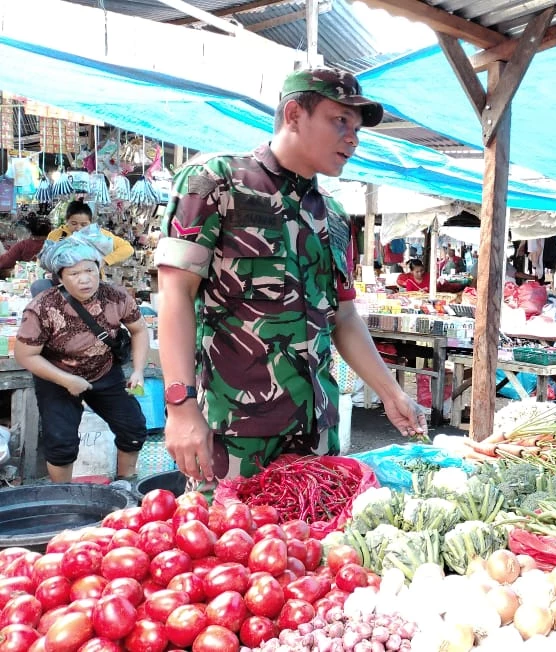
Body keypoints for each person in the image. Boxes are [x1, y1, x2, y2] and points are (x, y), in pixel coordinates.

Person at [156, 67, 426, 482]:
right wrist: (179, 405)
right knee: (229, 545)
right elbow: (175, 293)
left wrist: (391, 393)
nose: (353, 138)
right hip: (233, 436)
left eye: (356, 128)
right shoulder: (216, 181)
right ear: (295, 113)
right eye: (340, 121)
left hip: (316, 433)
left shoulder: (333, 215)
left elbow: (343, 317)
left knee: (315, 543)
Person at [14, 226, 148, 483]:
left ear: (99, 267)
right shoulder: (42, 306)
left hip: (104, 371)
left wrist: (139, 371)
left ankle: (125, 484)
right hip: (57, 376)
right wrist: (67, 381)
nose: (84, 279)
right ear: (60, 277)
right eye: (74, 273)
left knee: (133, 427)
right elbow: (25, 355)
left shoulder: (116, 297)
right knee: (61, 441)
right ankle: (63, 496)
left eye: (90, 270)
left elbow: (139, 330)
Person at [47, 200, 135, 266]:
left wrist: (105, 260)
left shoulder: (98, 234)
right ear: (67, 220)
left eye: (84, 224)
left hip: (93, 282)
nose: (78, 228)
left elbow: (127, 248)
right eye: (74, 223)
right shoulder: (55, 235)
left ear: (90, 222)